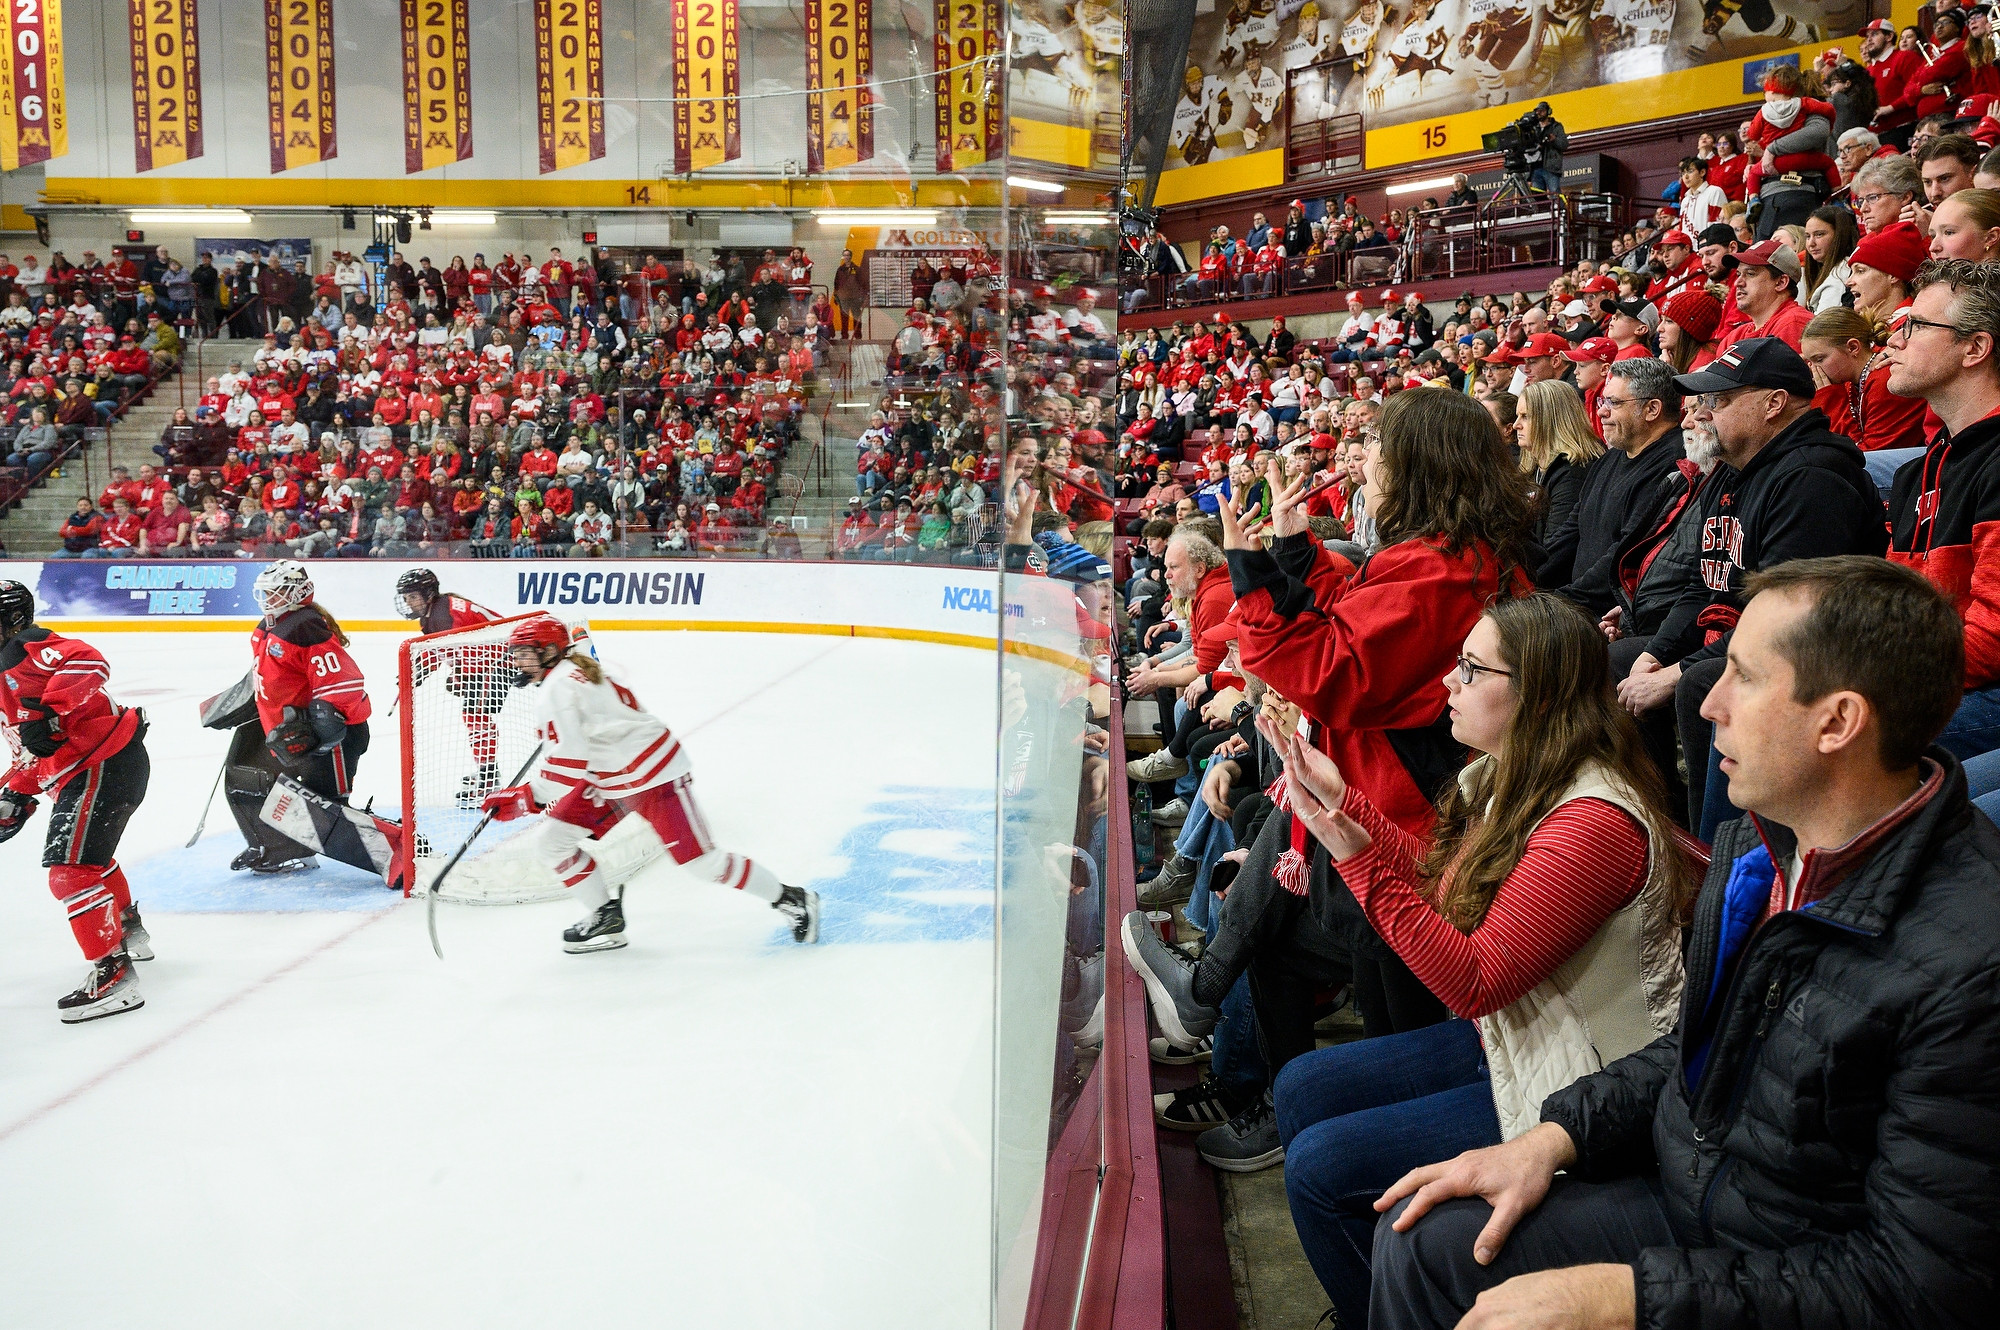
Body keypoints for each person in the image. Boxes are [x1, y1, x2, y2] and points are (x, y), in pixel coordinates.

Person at [1367, 557, 2000, 1330]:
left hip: (1783, 1258)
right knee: (1420, 1239)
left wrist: (1624, 1298)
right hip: (1696, 1191)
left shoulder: (1971, 964)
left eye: (1745, 677)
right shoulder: (1763, 852)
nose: (1710, 707)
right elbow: (1699, 1048)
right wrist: (1555, 1135)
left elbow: (1914, 1289)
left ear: (1837, 722)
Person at [1122, 390, 1538, 1168]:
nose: (1360, 475)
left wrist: (1253, 577)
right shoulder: (1442, 556)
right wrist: (1284, 547)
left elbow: (1326, 668)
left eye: (1374, 460)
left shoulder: (1441, 570)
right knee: (1282, 947)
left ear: (1417, 466)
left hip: (1405, 823)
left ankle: (1370, 1170)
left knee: (1397, 1029)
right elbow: (1351, 610)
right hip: (1386, 808)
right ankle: (1259, 1076)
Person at [1267, 594, 1694, 1329]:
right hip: (1518, 1045)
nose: (1448, 684)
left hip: (1581, 1088)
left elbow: (1473, 981)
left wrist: (1355, 861)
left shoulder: (1593, 820)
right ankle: (1384, 1304)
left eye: (1471, 669)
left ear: (1539, 695)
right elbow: (1444, 885)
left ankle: (1404, 1307)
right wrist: (1348, 806)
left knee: (1320, 1171)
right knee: (1303, 1087)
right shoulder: (1511, 774)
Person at [1629, 339, 1888, 838]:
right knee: (1621, 662)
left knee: (1698, 684)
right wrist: (1658, 654)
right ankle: (1663, 836)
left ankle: (1722, 855)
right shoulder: (1732, 474)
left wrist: (1676, 671)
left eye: (1719, 401)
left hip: (1819, 651)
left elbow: (1789, 617)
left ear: (1773, 404)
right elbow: (1704, 584)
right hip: (1740, 637)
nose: (1703, 413)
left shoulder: (1812, 479)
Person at [479, 616, 820, 952]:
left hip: (653, 778)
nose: (518, 661)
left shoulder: (556, 688)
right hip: (612, 777)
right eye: (517, 653)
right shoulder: (572, 668)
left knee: (703, 863)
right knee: (554, 842)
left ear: (551, 651)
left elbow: (569, 761)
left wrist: (527, 798)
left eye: (526, 653)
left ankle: (791, 899)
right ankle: (605, 916)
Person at [0, 580, 154, 1022]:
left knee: (71, 873)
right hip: (103, 765)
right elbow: (32, 749)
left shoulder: (25, 647)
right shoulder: (3, 668)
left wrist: (50, 710)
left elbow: (89, 661)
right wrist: (19, 792)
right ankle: (126, 931)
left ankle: (114, 977)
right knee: (93, 861)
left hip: (103, 764)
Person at [1884, 258, 2000, 772]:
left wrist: (1885, 677)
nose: (1895, 340)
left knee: (1823, 737)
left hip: (1985, 687)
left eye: (1915, 325)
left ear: (1974, 348)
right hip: (1943, 673)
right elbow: (1896, 604)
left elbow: (1994, 638)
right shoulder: (1919, 471)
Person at [224, 561, 372, 875]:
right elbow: (268, 673)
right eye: (266, 592)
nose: (269, 598)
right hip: (287, 732)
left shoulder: (304, 625)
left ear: (298, 592)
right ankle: (283, 849)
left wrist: (326, 725)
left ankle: (399, 851)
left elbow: (340, 678)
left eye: (276, 591)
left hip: (326, 735)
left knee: (328, 805)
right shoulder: (270, 625)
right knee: (262, 785)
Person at [395, 567, 509, 803]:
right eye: (406, 598)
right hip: (492, 658)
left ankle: (489, 779)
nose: (409, 603)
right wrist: (417, 670)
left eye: (413, 597)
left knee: (476, 715)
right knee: (475, 715)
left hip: (504, 657)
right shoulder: (436, 612)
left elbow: (468, 650)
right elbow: (440, 648)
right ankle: (488, 772)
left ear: (428, 594)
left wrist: (461, 676)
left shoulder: (444, 615)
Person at [1515, 379, 1601, 548]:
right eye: (1517, 416)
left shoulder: (1573, 473)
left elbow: (1555, 549)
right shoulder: (1532, 467)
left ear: (1550, 420)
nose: (1517, 425)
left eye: (1525, 417)